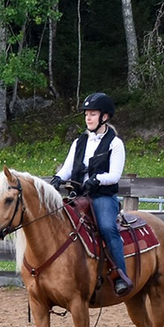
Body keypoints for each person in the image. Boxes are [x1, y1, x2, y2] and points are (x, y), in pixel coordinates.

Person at [49, 92, 132, 295]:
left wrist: (97, 179)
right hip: (78, 196)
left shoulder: (115, 144)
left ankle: (120, 275)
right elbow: (68, 168)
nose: (88, 117)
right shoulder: (79, 143)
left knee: (106, 227)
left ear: (104, 117)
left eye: (93, 114)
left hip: (102, 197)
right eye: (86, 114)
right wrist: (58, 178)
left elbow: (115, 175)